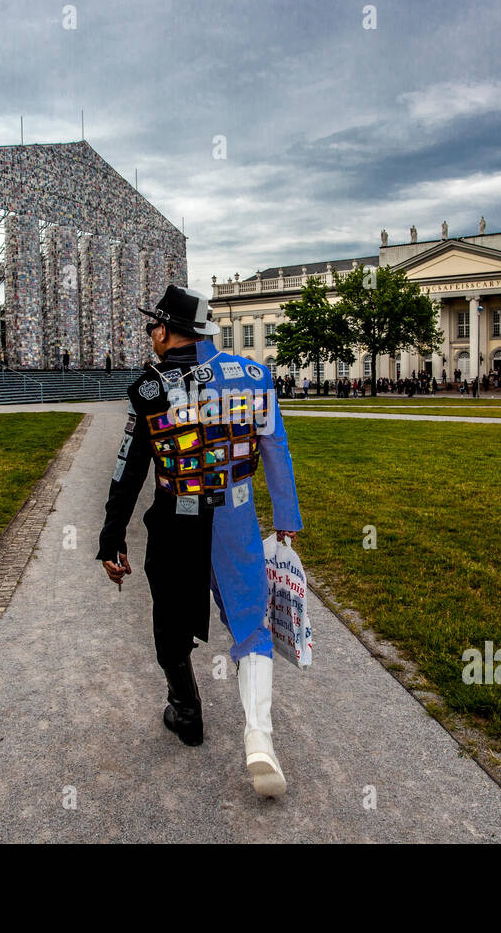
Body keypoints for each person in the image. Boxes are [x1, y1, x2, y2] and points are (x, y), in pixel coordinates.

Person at [96, 285, 303, 798]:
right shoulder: (254, 375)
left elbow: (131, 466)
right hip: (234, 511)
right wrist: (286, 519)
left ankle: (186, 710)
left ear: (165, 331)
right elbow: (276, 447)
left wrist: (111, 534)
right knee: (250, 622)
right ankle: (259, 736)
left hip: (176, 516)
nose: (150, 334)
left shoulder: (150, 388)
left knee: (170, 616)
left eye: (152, 327)